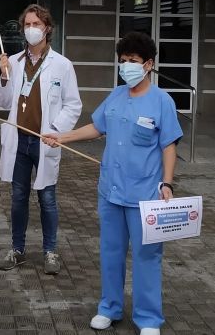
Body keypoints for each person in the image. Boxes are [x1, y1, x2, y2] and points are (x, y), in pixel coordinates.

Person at [44, 32, 182, 335]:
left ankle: (148, 319)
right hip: (111, 192)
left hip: (145, 195)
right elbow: (97, 127)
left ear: (148, 64)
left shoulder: (162, 101)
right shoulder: (116, 95)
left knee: (147, 257)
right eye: (122, 61)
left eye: (132, 61)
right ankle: (109, 307)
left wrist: (167, 184)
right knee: (110, 253)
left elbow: (169, 145)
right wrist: (61, 136)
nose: (126, 66)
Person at [0, 4, 81, 274]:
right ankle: (17, 250)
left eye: (37, 24)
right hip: (19, 140)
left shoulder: (62, 65)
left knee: (47, 198)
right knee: (18, 197)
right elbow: (3, 101)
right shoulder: (14, 62)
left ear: (47, 29)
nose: (31, 29)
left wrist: (56, 129)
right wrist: (4, 75)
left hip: (45, 140)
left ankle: (50, 252)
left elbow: (73, 105)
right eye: (27, 24)